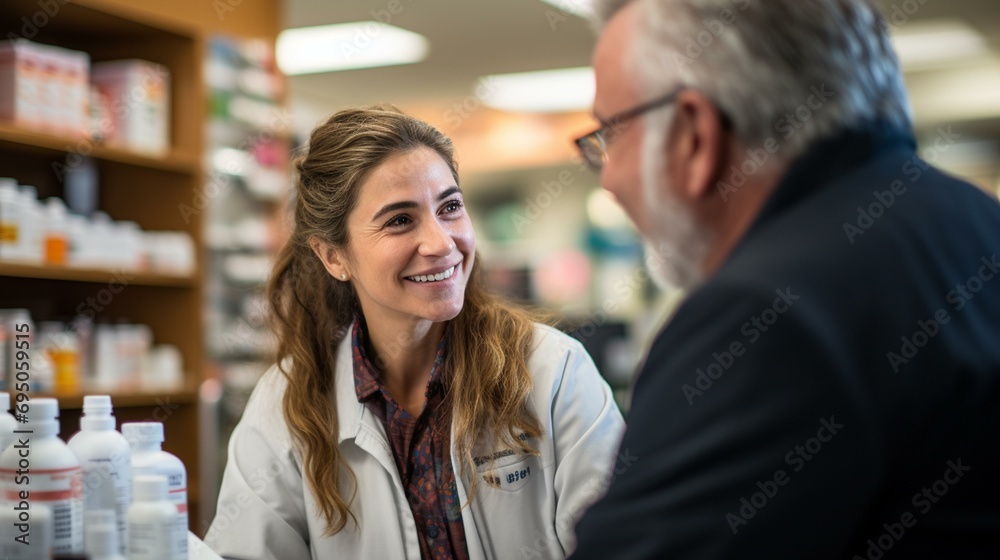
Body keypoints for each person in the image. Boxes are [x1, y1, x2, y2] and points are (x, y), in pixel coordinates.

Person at [568, 0, 1000, 558]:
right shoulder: (972, 222)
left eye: (612, 134)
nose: (609, 180)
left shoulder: (766, 316)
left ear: (695, 134)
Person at [204, 106, 625, 560]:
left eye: (450, 207)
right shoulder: (287, 404)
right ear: (333, 256)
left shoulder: (552, 372)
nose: (442, 243)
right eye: (400, 220)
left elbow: (628, 542)